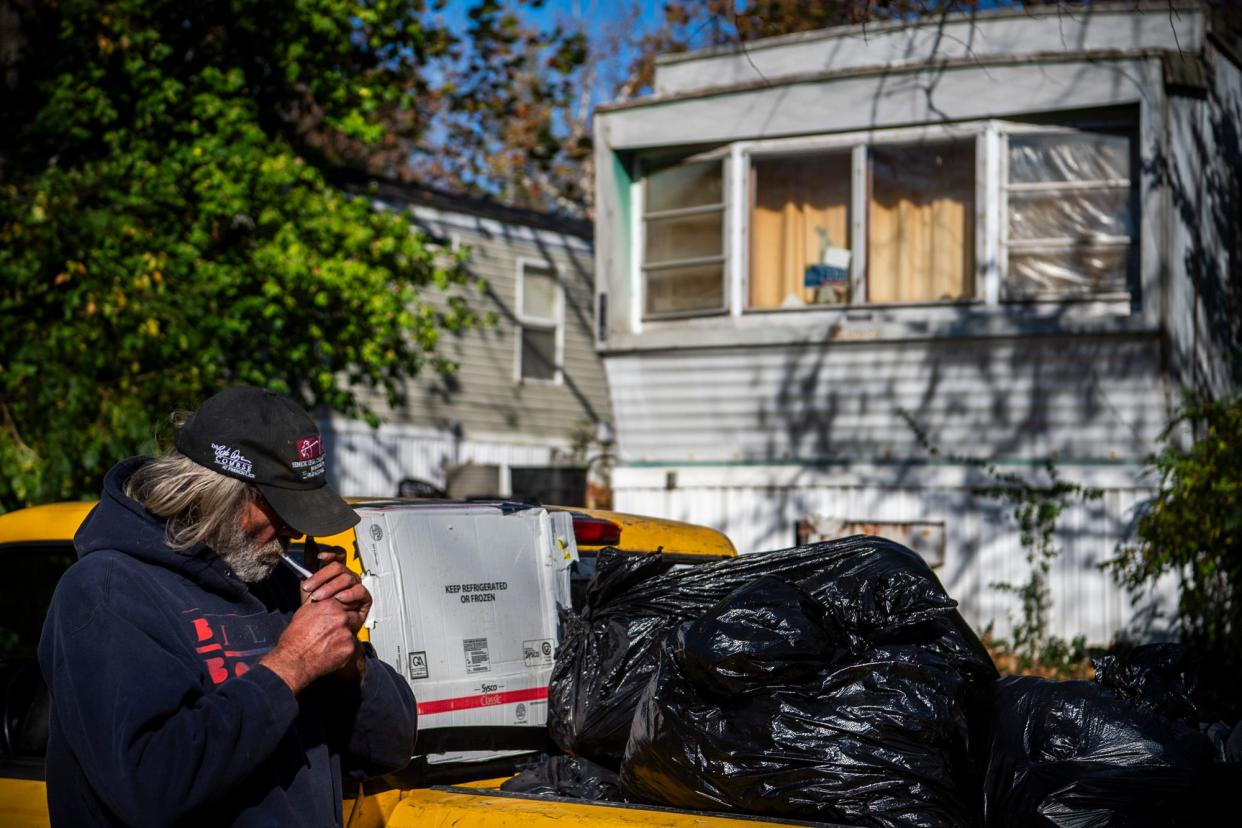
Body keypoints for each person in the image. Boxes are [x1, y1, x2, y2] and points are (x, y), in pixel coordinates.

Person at [38, 386, 418, 826]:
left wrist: (347, 661)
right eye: (280, 507)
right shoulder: (105, 591)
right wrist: (289, 667)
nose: (294, 529)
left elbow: (390, 748)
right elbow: (151, 786)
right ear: (214, 491)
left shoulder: (277, 583)